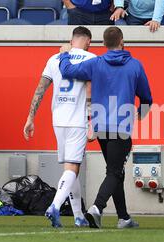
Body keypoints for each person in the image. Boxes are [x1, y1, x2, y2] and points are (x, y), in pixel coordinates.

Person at [59, 26, 153, 229]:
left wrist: (65, 54)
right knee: (114, 171)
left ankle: (123, 218)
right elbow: (146, 97)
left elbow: (67, 71)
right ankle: (96, 208)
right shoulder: (135, 66)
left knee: (115, 170)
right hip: (121, 126)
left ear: (104, 44)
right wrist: (141, 115)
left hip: (100, 126)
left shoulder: (95, 63)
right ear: (122, 42)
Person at [23, 26, 96, 228]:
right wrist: (92, 120)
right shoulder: (92, 58)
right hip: (77, 120)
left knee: (70, 169)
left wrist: (30, 118)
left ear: (72, 40)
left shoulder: (54, 58)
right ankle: (54, 206)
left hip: (58, 120)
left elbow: (41, 89)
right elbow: (90, 89)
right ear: (88, 41)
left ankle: (79, 217)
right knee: (73, 168)